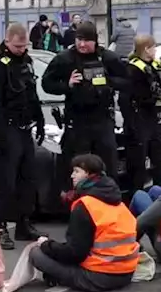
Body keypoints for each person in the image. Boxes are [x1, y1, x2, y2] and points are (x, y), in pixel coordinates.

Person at [27, 154, 138, 292]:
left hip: (99, 276)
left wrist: (46, 245)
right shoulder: (118, 202)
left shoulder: (85, 205)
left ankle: (58, 277)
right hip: (126, 273)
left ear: (88, 174)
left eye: (76, 171)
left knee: (36, 253)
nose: (72, 176)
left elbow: (75, 254)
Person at [0, 24, 45, 250]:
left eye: (24, 45)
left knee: (27, 180)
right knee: (3, 183)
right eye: (17, 46)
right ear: (7, 41)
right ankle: (0, 227)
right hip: (5, 130)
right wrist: (0, 137)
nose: (21, 49)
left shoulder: (26, 62)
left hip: (24, 128)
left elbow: (31, 93)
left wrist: (40, 119)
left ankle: (24, 224)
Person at [41, 21, 126, 182]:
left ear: (95, 41)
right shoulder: (65, 58)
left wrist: (108, 81)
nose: (82, 44)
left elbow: (127, 80)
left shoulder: (107, 57)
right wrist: (68, 84)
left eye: (86, 40)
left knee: (106, 166)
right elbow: (47, 83)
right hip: (77, 122)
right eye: (78, 39)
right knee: (77, 166)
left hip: (102, 121)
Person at [121, 34, 161, 191]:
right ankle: (136, 195)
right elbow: (125, 100)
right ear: (146, 49)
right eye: (153, 47)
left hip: (157, 119)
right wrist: (132, 123)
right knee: (138, 164)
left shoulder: (155, 66)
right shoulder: (132, 69)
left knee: (159, 160)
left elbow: (160, 93)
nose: (156, 50)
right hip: (140, 120)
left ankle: (160, 193)